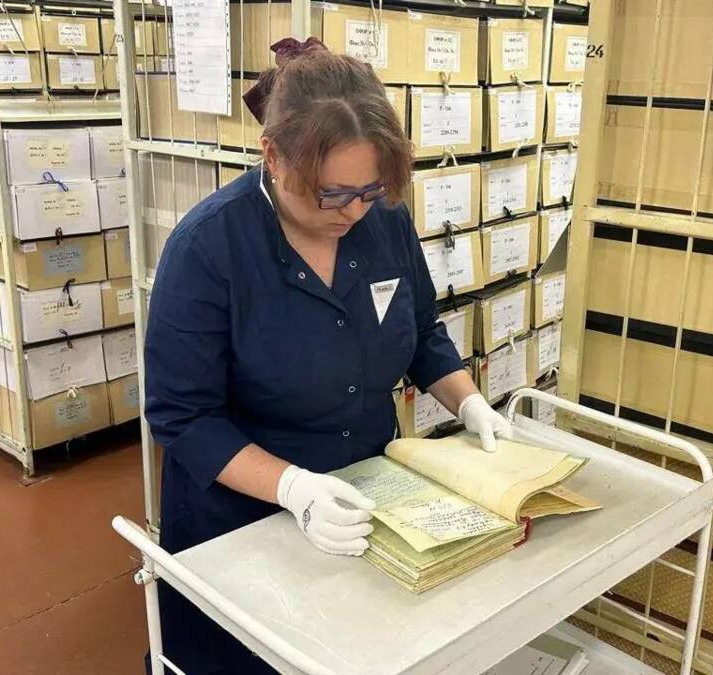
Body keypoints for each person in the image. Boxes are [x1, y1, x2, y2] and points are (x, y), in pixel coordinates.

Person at [143, 38, 510, 673]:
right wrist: (293, 488)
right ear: (273, 157)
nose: (354, 211)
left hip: (366, 498)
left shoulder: (383, 221)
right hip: (241, 517)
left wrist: (471, 404)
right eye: (332, 194)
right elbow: (183, 417)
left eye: (370, 189)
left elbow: (421, 331)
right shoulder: (208, 248)